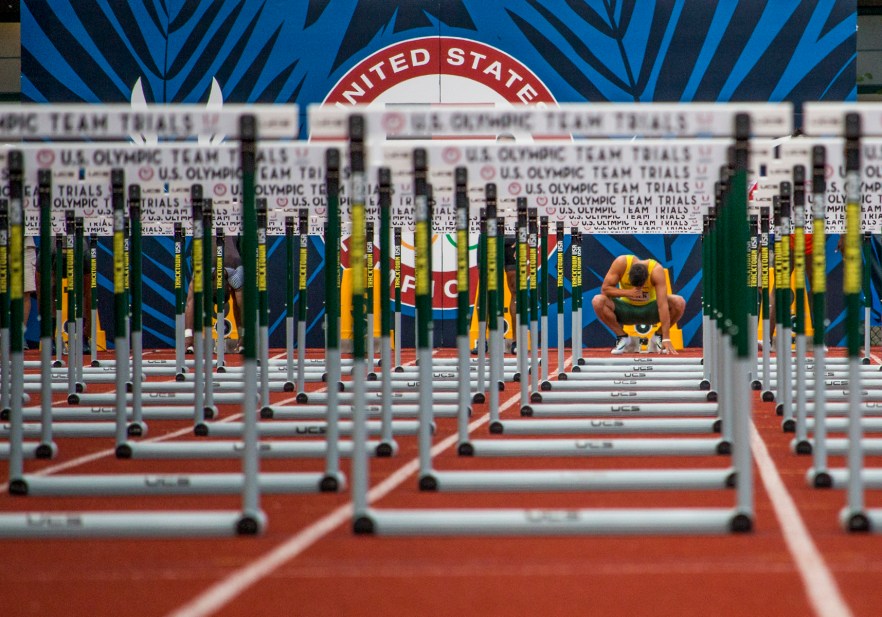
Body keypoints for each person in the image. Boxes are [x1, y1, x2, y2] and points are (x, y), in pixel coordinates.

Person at [591, 254, 684, 355]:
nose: (638, 288)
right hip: (626, 310)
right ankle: (623, 337)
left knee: (679, 302)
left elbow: (662, 305)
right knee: (598, 300)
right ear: (628, 274)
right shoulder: (621, 263)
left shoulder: (656, 270)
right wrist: (628, 293)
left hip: (650, 310)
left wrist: (666, 338)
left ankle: (658, 336)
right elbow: (605, 289)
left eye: (641, 285)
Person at [184, 236, 244, 354]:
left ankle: (188, 340)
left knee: (193, 298)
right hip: (232, 264)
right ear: (228, 286)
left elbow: (190, 303)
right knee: (240, 300)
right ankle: (243, 340)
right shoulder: (234, 279)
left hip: (208, 264)